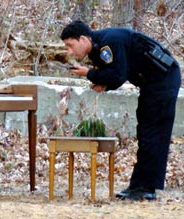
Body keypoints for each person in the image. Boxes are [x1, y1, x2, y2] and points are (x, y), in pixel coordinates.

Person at [60, 20, 181, 200]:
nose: (70, 51)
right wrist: (103, 83)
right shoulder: (97, 49)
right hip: (151, 82)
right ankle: (138, 186)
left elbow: (118, 75)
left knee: (153, 132)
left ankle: (147, 188)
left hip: (163, 78)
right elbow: (115, 74)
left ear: (84, 39)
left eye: (71, 45)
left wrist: (89, 73)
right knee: (145, 132)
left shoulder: (109, 42)